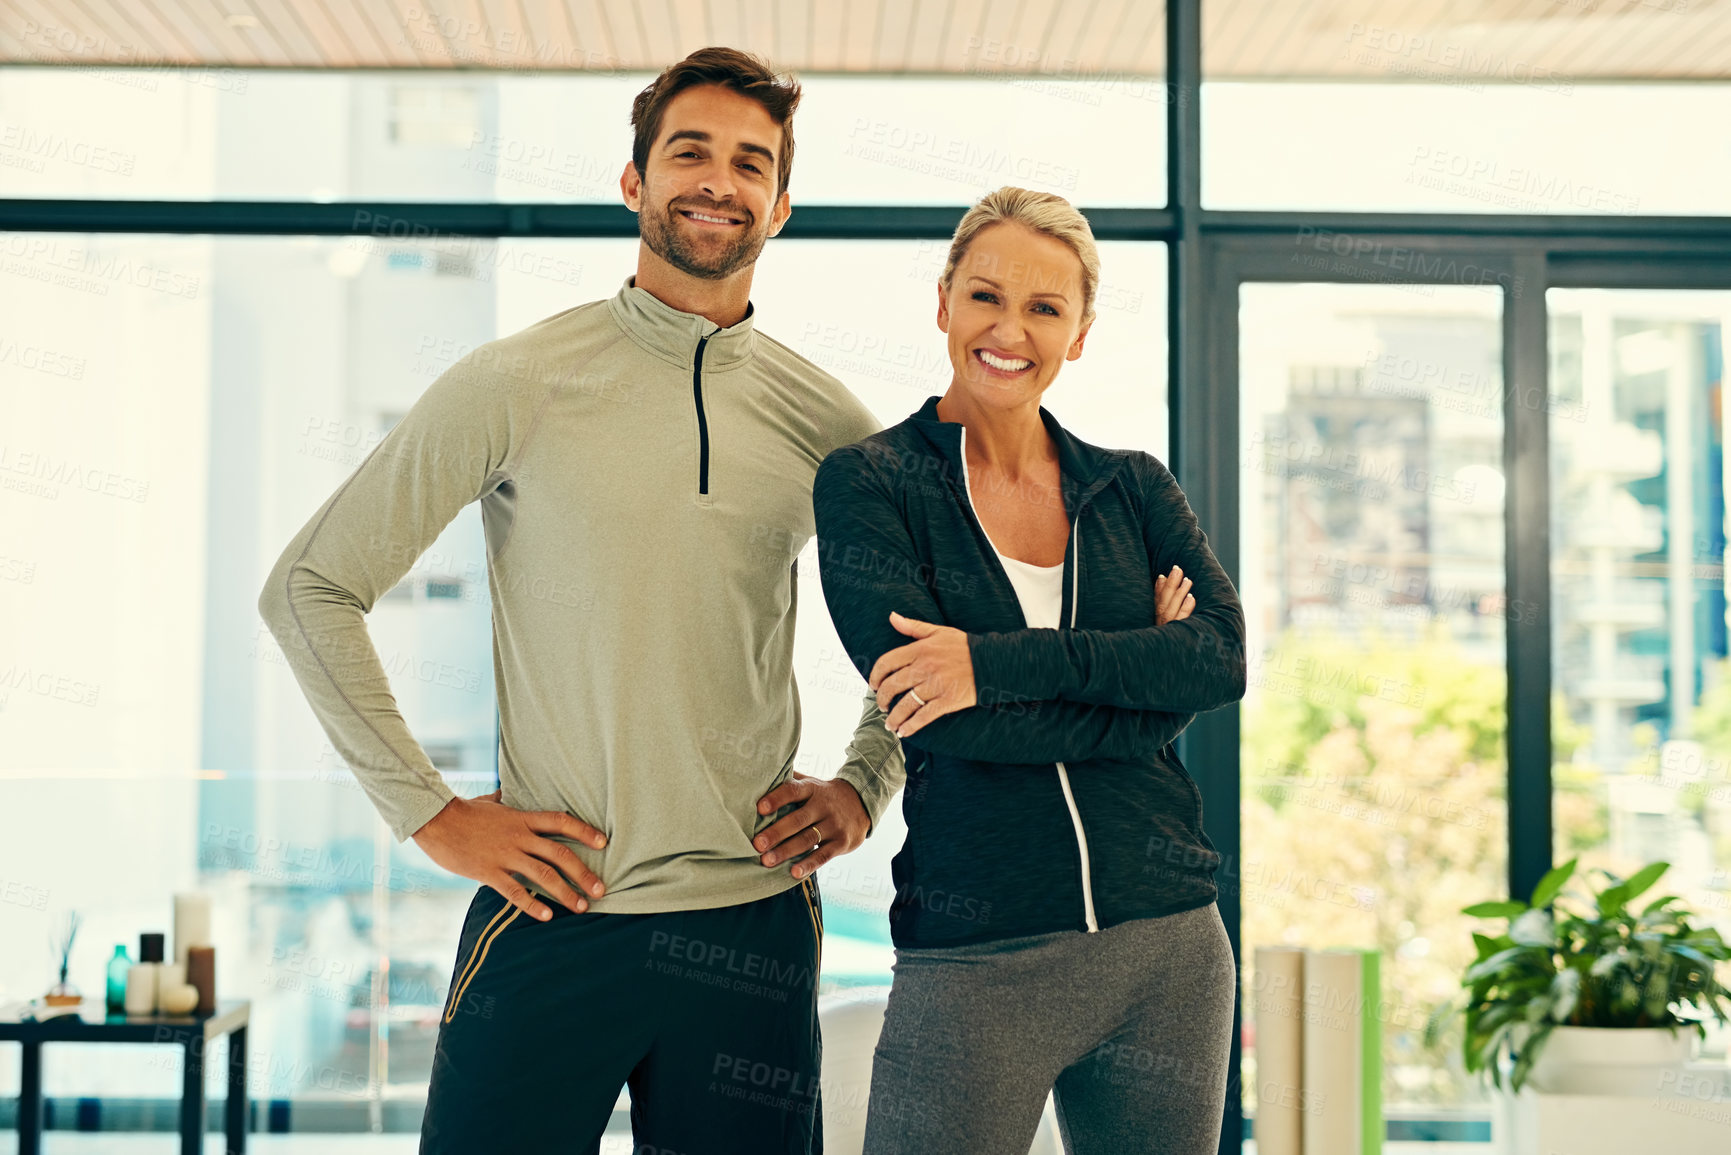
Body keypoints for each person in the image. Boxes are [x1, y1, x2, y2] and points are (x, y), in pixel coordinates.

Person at [257, 47, 906, 1155]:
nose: (718, 180)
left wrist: (864, 782)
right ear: (634, 182)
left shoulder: (828, 422)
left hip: (750, 930)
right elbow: (311, 589)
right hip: (555, 920)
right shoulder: (519, 380)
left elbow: (925, 631)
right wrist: (431, 815)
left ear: (780, 205)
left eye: (750, 162)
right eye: (688, 152)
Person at [810, 186, 1246, 1154]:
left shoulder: (1130, 487)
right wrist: (1145, 692)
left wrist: (991, 663)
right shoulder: (870, 484)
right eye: (986, 297)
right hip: (977, 959)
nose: (1010, 330)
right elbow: (942, 716)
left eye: (1046, 309)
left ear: (1079, 333)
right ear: (943, 303)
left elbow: (1219, 660)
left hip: (1168, 945)